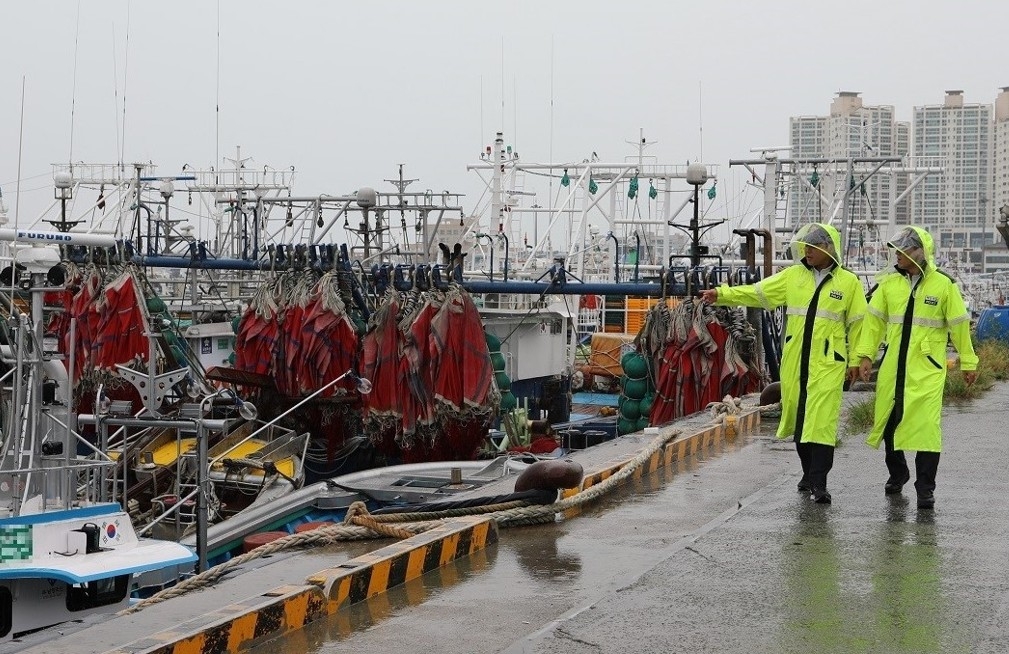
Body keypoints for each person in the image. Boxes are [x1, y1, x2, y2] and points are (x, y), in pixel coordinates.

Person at [701, 223, 866, 504]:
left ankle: (820, 483)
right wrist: (723, 294)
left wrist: (859, 359)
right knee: (801, 421)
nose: (806, 252)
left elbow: (859, 324)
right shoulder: (793, 277)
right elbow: (758, 293)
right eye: (805, 247)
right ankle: (807, 474)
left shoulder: (848, 283)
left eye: (812, 247)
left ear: (828, 248)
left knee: (822, 423)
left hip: (828, 364)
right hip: (795, 362)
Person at [854, 226, 977, 510]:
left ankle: (925, 489)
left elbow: (959, 327)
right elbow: (873, 323)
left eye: (904, 249)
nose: (897, 254)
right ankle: (898, 473)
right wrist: (865, 356)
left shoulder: (943, 285)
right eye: (896, 250)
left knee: (927, 429)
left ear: (920, 252)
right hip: (893, 367)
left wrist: (969, 362)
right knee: (889, 422)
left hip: (927, 370)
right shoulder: (889, 285)